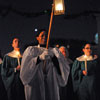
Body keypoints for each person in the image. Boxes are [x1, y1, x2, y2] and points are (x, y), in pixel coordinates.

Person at [20, 30, 70, 100]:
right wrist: (38, 58)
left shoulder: (54, 51)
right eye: (42, 35)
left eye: (46, 35)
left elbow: (64, 67)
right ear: (37, 37)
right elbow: (25, 69)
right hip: (35, 84)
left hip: (51, 84)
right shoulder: (32, 50)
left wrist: (54, 59)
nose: (45, 37)